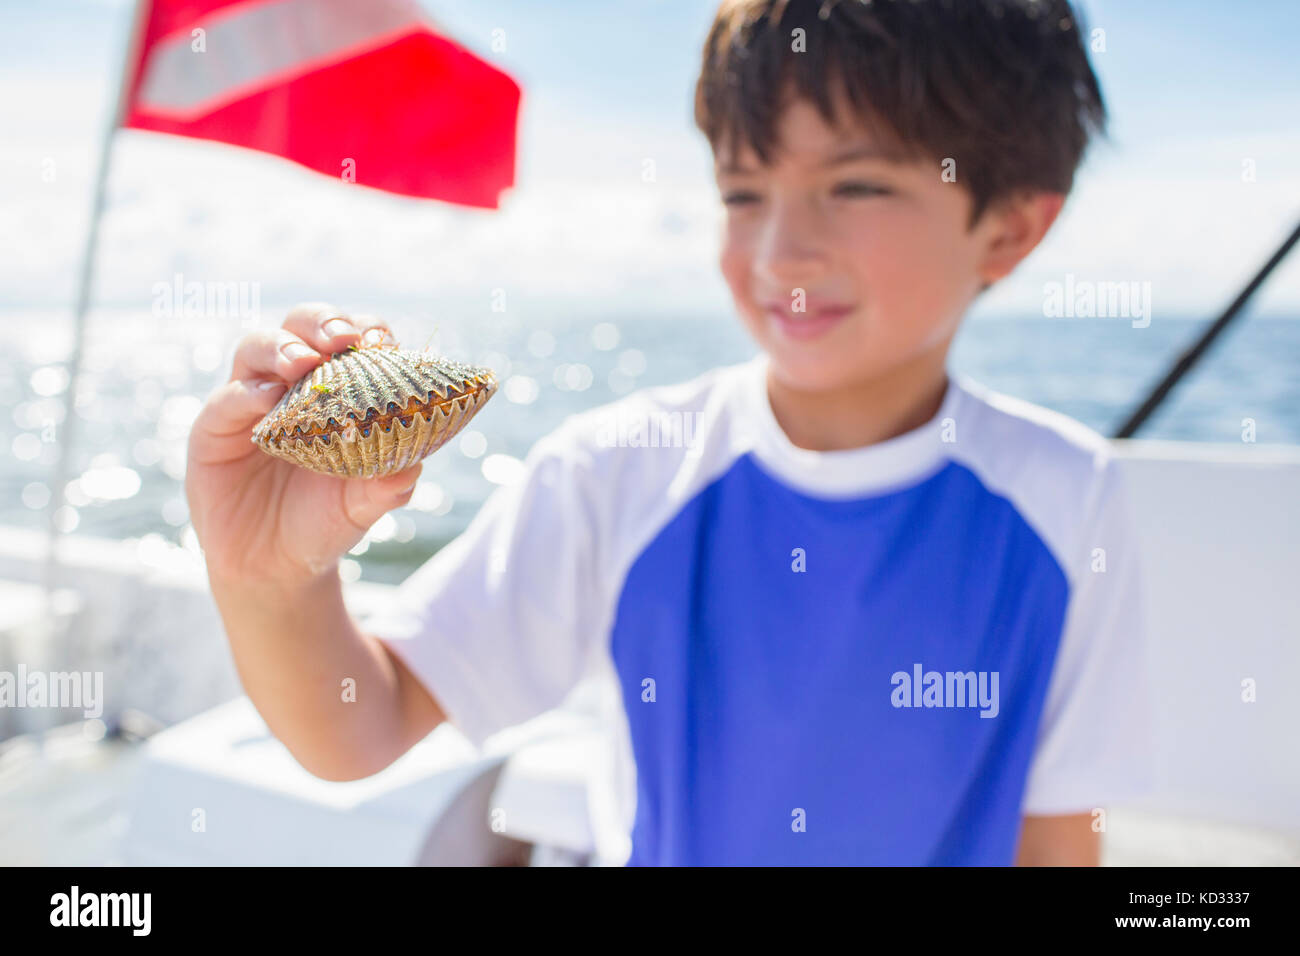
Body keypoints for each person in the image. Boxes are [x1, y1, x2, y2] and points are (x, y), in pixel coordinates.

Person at [186, 0, 1155, 865]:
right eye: (742, 193)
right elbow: (362, 723)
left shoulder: (1071, 493)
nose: (781, 249)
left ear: (1010, 230)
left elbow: (1058, 831)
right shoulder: (615, 467)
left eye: (855, 186)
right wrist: (271, 579)